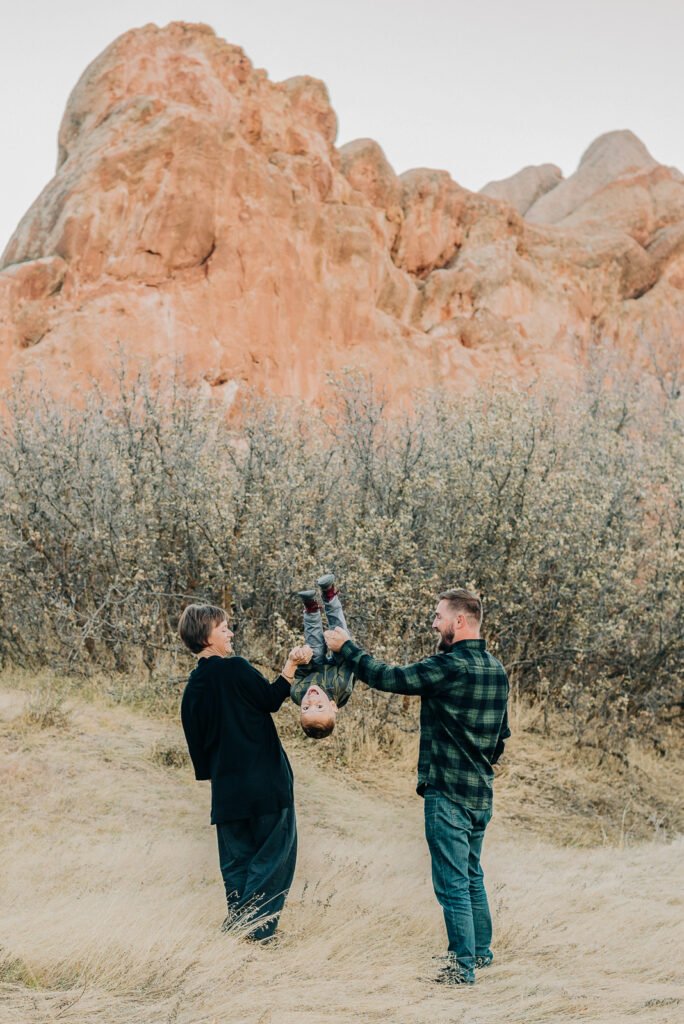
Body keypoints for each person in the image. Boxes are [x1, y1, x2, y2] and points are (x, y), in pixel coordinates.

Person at [325, 587, 510, 986]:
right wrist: (477, 762)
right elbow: (501, 738)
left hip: (448, 793)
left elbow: (391, 678)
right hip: (481, 793)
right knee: (472, 875)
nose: (434, 622)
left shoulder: (449, 666)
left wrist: (347, 649)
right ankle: (480, 954)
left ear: (460, 621)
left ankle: (461, 969)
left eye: (439, 616)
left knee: (453, 885)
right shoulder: (497, 669)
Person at [178, 602, 310, 943]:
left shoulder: (192, 689)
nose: (230, 633)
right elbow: (270, 699)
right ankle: (255, 933)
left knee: (237, 865)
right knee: (273, 859)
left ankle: (238, 934)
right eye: (224, 628)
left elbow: (199, 756)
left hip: (227, 794)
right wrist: (291, 665)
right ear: (206, 635)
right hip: (268, 785)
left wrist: (223, 774)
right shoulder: (234, 668)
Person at [289, 573, 356, 739]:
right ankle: (330, 595)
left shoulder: (297, 693)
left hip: (313, 669)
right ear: (333, 705)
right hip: (339, 666)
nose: (311, 701)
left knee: (314, 651)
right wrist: (341, 646)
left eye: (305, 709)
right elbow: (349, 662)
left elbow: (300, 673)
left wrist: (301, 658)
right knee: (339, 636)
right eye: (319, 706)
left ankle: (311, 609)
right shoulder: (342, 687)